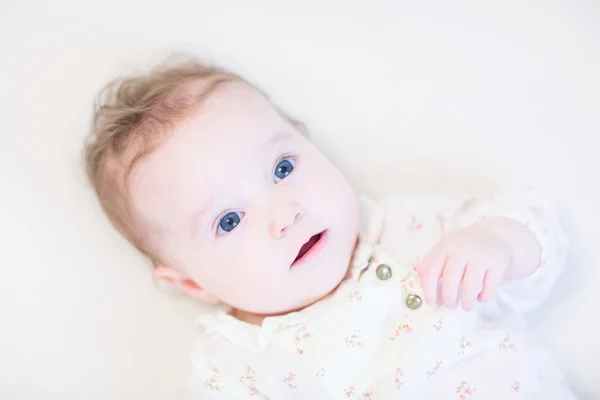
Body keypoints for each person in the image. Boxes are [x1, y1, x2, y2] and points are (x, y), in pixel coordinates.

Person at [84, 56, 576, 399]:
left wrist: (496, 243)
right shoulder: (231, 368)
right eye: (229, 220)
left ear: (308, 143)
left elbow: (540, 238)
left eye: (282, 169)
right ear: (192, 282)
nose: (284, 214)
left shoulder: (409, 230)